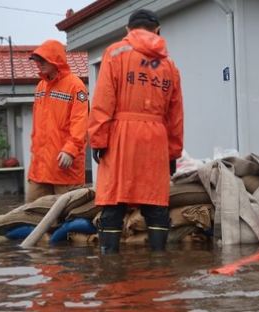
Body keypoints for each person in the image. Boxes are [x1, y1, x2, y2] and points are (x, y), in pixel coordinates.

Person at [88, 9, 184, 253]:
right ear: (157, 31)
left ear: (128, 30)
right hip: (156, 137)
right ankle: (159, 263)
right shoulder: (169, 65)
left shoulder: (115, 53)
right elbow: (175, 115)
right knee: (155, 203)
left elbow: (103, 100)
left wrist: (98, 139)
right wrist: (173, 153)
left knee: (114, 201)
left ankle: (110, 264)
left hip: (121, 135)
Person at [26, 40, 89, 203]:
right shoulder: (40, 86)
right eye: (37, 60)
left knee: (68, 217)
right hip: (40, 168)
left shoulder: (76, 86)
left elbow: (80, 121)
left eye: (42, 60)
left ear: (56, 59)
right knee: (32, 214)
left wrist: (70, 150)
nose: (38, 64)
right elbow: (38, 127)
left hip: (65, 166)